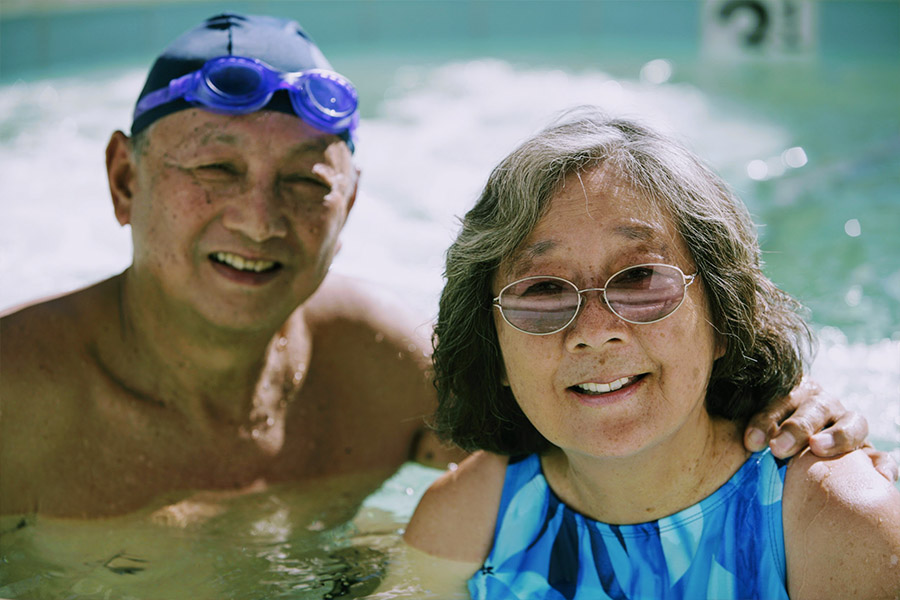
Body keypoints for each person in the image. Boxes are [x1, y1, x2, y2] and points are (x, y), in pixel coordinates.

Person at [0, 15, 888, 520]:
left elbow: (608, 441)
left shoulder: (381, 367)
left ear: (349, 206)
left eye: (306, 183)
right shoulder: (15, 398)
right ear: (124, 179)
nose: (260, 217)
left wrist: (786, 411)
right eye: (215, 169)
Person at [401, 110, 900, 599]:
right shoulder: (466, 520)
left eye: (641, 278)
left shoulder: (836, 522)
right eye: (544, 290)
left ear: (723, 319)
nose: (594, 332)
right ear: (494, 351)